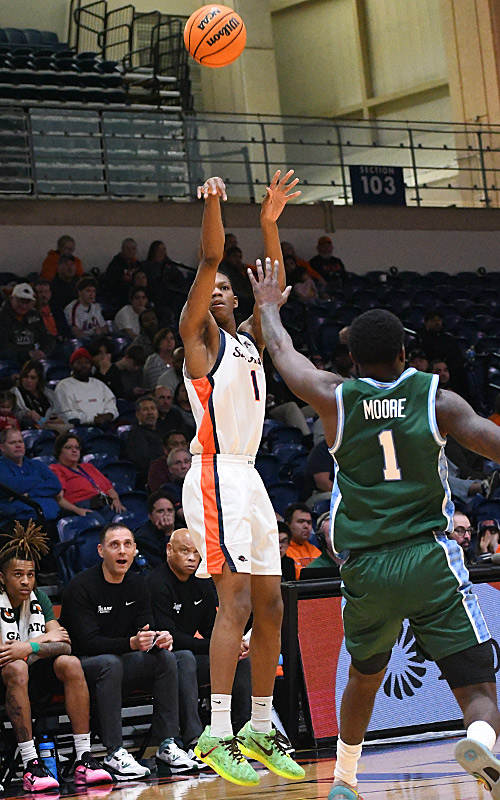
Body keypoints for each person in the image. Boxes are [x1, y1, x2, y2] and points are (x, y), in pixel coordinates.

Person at [248, 268, 500, 799]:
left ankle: (343, 782)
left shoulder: (333, 397)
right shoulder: (440, 401)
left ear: (353, 361)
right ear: (405, 357)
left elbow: (285, 355)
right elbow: (491, 443)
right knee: (476, 683)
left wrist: (269, 305)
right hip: (429, 556)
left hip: (364, 565)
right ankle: (478, 738)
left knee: (364, 676)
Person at [179, 171, 304, 785]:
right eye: (217, 288)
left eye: (230, 287)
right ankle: (216, 731)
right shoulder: (198, 345)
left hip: (250, 479)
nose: (225, 290)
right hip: (215, 475)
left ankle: (259, 724)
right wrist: (216, 206)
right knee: (232, 602)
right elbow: (209, 256)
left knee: (272, 605)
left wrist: (270, 225)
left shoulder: (251, 341)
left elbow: (272, 291)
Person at [60, 523, 198, 779]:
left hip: (124, 662)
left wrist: (157, 638)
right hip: (83, 667)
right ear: (101, 551)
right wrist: (131, 643)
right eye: (114, 545)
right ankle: (114, 751)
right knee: (110, 663)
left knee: (168, 658)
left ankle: (168, 743)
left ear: (135, 550)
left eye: (127, 545)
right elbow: (87, 641)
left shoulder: (138, 584)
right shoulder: (81, 586)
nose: (121, 551)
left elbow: (144, 628)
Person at [0, 521, 112, 791]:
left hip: (34, 673)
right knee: (17, 668)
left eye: (30, 574)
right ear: (2, 578)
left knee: (70, 664)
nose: (26, 581)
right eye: (18, 575)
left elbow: (64, 645)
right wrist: (44, 640)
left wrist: (31, 646)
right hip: (7, 680)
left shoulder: (39, 598)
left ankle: (84, 758)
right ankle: (30, 763)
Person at [148, 528, 252, 740]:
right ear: (169, 550)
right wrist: (218, 646)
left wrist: (232, 644)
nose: (191, 558)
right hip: (161, 660)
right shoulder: (156, 583)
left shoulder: (202, 582)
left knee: (238, 659)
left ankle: (244, 732)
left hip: (193, 657)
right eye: (185, 551)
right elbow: (171, 637)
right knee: (185, 658)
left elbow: (211, 628)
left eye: (196, 552)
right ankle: (194, 737)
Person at [50, 432, 126, 519]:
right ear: (59, 451)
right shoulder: (56, 469)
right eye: (68, 447)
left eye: (77, 448)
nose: (74, 451)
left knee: (124, 518)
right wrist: (77, 510)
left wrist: (116, 500)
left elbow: (109, 488)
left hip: (103, 502)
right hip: (82, 506)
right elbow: (59, 498)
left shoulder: (88, 467)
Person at [0, 427, 62, 525]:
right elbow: (16, 487)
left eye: (20, 442)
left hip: (52, 516)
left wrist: (29, 494)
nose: (18, 445)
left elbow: (56, 485)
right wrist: (39, 480)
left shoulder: (37, 464)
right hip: (19, 520)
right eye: (12, 443)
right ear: (2, 447)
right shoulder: (1, 466)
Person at [55, 348, 118, 427]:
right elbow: (66, 414)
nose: (84, 366)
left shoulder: (99, 384)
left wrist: (109, 415)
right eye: (79, 363)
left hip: (104, 426)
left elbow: (111, 404)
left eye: (87, 363)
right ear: (72, 366)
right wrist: (92, 419)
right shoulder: (63, 386)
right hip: (78, 428)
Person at [0, 284, 54, 365]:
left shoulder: (35, 315)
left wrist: (43, 352)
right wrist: (27, 354)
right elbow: (3, 345)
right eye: (20, 301)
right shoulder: (2, 317)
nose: (23, 305)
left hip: (32, 358)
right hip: (9, 360)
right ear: (11, 299)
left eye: (27, 302)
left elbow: (46, 337)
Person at [12, 360, 69, 434]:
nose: (28, 381)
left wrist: (61, 420)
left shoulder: (49, 394)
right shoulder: (15, 393)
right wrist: (26, 413)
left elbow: (61, 414)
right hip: (32, 429)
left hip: (52, 426)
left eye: (33, 378)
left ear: (39, 380)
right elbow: (12, 414)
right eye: (26, 377)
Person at [124, 395, 163, 484]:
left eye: (153, 408)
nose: (150, 412)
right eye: (145, 409)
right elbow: (142, 462)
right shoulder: (136, 435)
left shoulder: (162, 432)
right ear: (137, 414)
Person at [135, 490, 177, 568]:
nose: (166, 515)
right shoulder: (143, 537)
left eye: (170, 510)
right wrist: (169, 533)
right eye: (160, 511)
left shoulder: (182, 529)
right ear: (150, 516)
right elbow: (165, 564)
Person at [283, 503, 321, 578]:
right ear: (288, 525)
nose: (306, 526)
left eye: (309, 522)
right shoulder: (282, 551)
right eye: (300, 521)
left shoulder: (316, 551)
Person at [302, 511, 341, 576]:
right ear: (322, 539)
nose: (339, 538)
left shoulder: (360, 564)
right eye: (332, 535)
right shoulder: (313, 570)